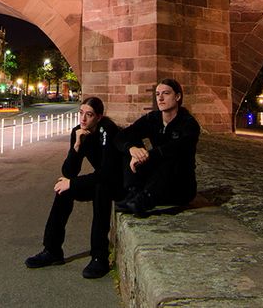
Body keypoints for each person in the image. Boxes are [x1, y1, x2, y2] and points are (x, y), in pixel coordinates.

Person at [25, 96, 123, 279]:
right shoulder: (78, 132)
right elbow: (69, 171)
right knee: (64, 190)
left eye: (89, 115)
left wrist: (73, 182)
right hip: (102, 179)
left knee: (101, 187)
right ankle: (52, 250)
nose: (83, 119)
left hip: (120, 183)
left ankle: (99, 257)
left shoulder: (108, 131)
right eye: (81, 113)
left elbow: (108, 173)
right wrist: (77, 147)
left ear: (99, 117)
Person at [115, 78, 200, 216]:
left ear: (177, 97)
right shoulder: (153, 118)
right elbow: (122, 136)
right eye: (157, 94)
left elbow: (177, 148)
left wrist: (148, 155)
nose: (160, 98)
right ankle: (134, 192)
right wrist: (132, 149)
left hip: (179, 185)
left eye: (165, 93)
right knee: (131, 145)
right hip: (156, 179)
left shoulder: (188, 124)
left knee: (170, 156)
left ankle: (145, 198)